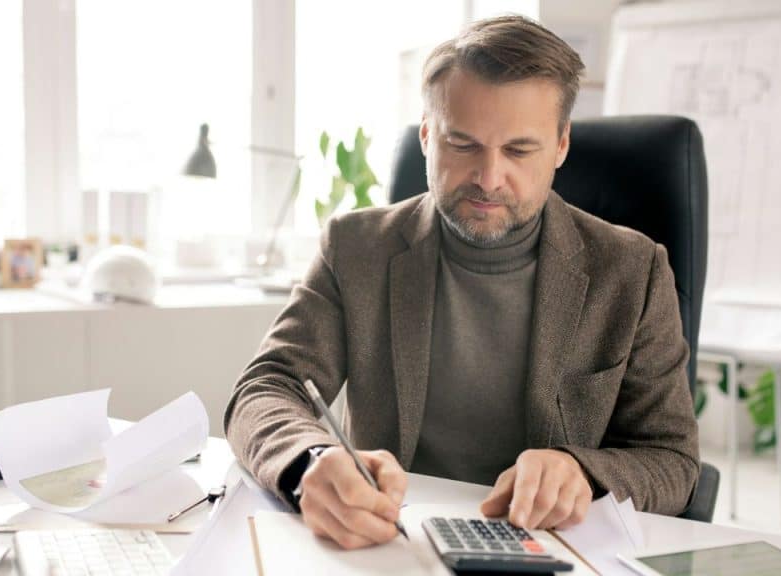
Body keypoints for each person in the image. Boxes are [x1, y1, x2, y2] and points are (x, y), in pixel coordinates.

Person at [224, 15, 699, 550]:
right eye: (463, 144)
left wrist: (582, 473)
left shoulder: (632, 270)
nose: (489, 178)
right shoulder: (355, 247)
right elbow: (266, 389)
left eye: (519, 150)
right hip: (391, 547)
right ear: (427, 134)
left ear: (562, 145)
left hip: (549, 552)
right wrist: (309, 462)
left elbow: (673, 461)